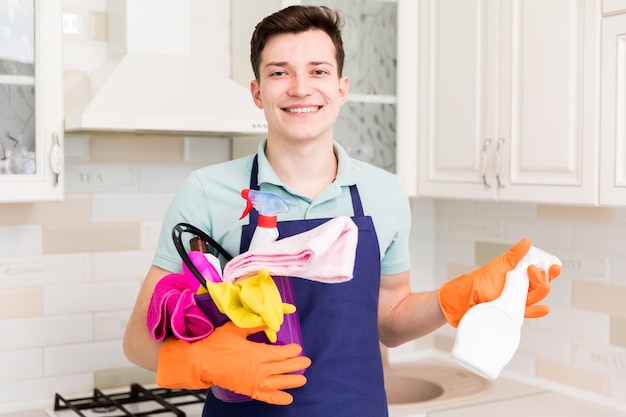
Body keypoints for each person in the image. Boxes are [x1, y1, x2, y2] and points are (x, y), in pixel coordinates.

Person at [123, 5, 561, 416]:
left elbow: (389, 320)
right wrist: (203, 359)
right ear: (257, 92)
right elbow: (138, 340)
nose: (300, 88)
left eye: (318, 71)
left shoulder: (385, 193)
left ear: (340, 88)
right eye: (280, 73)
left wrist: (458, 297)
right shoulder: (208, 192)